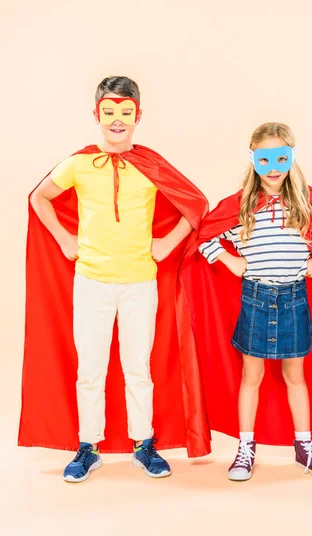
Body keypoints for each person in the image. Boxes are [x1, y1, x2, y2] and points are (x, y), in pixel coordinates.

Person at [20, 75, 211, 482]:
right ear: (97, 114)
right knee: (90, 368)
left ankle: (144, 443)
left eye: (126, 112)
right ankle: (88, 446)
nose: (117, 120)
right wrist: (64, 237)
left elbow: (196, 204)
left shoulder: (150, 165)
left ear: (138, 115)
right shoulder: (79, 163)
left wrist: (167, 243)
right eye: (109, 112)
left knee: (137, 367)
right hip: (91, 281)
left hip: (140, 283)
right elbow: (39, 197)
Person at [180, 122, 312, 481]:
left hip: (294, 299)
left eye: (280, 158)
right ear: (253, 159)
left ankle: (305, 447)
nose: (273, 168)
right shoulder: (242, 205)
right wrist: (229, 260)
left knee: (295, 375)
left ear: (292, 157)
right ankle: (246, 449)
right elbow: (204, 236)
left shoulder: (304, 203)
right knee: (251, 375)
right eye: (264, 159)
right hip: (255, 298)